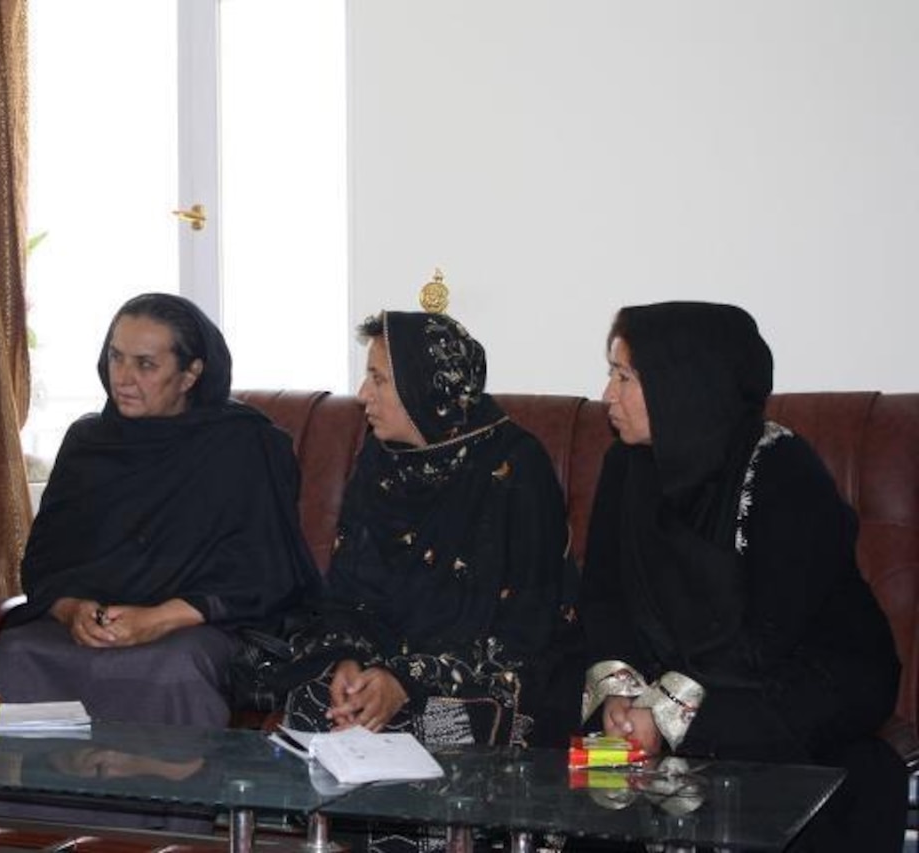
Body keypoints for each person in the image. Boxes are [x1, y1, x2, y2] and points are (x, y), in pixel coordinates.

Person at [580, 301, 906, 852]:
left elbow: (767, 637)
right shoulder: (627, 465)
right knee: (581, 736)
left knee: (768, 729)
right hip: (687, 678)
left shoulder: (781, 469)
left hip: (800, 672)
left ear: (681, 384)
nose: (608, 395)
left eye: (624, 377)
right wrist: (621, 690)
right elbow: (604, 597)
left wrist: (659, 712)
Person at [0, 292, 318, 731]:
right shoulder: (87, 443)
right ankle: (37, 803)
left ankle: (171, 801)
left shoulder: (244, 446)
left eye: (145, 364)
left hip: (198, 624)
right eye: (116, 358)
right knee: (15, 653)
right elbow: (46, 558)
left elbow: (265, 569)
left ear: (190, 373)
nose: (122, 378)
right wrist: (71, 609)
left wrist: (160, 619)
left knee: (173, 668)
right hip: (95, 622)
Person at [280, 310, 582, 750]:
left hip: (487, 678)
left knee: (424, 728)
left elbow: (525, 629)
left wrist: (405, 681)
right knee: (316, 702)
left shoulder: (515, 467)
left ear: (428, 386)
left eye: (379, 380)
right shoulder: (380, 461)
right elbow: (346, 594)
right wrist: (347, 660)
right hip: (382, 664)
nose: (364, 395)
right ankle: (332, 820)